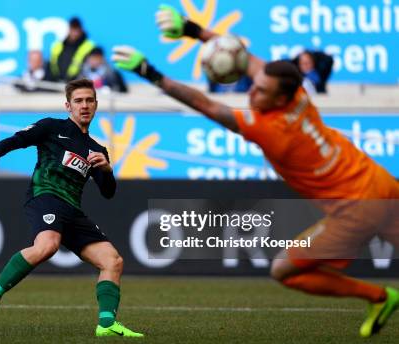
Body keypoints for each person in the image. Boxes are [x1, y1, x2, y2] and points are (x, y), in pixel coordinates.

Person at [113, 4, 399, 338]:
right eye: (255, 84)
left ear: (279, 99)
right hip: (381, 183)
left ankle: (379, 297)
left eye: (260, 90)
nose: (251, 91)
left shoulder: (270, 130)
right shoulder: (297, 94)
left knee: (284, 269)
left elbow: (205, 105)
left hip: (355, 210)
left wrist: (150, 72)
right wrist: (193, 30)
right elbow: (246, 60)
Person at [0, 79, 143, 338]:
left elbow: (108, 192)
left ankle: (106, 324)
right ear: (68, 105)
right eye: (78, 101)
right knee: (47, 246)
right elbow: (19, 139)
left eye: (89, 100)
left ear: (96, 105)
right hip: (45, 196)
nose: (84, 106)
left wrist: (107, 170)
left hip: (72, 210)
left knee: (113, 260)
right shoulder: (52, 127)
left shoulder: (97, 150)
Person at [49, 17, 96, 82]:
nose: (74, 32)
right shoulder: (59, 45)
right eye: (72, 29)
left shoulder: (89, 46)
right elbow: (52, 64)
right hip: (57, 82)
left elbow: (90, 68)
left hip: (77, 84)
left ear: (81, 30)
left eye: (76, 29)